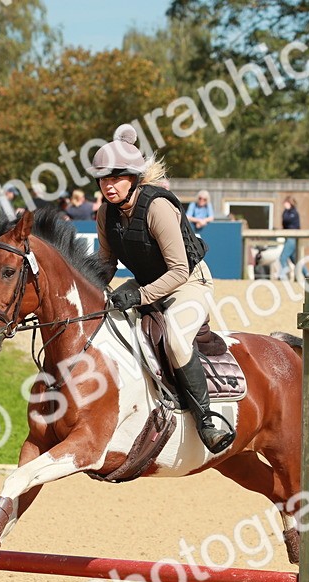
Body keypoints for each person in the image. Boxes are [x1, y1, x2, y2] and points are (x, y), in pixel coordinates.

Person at [90, 123, 234, 454]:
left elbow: (179, 270)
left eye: (116, 178)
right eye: (103, 179)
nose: (108, 186)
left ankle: (206, 422)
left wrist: (138, 296)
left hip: (188, 283)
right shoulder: (105, 214)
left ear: (134, 178)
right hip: (147, 281)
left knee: (177, 341)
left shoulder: (157, 207)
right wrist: (91, 286)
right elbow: (106, 263)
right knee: (104, 317)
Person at [278, 195, 300, 281]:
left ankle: (285, 271)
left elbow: (287, 220)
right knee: (294, 259)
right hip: (288, 237)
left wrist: (287, 210)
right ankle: (307, 274)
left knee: (282, 257)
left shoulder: (293, 213)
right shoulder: (286, 212)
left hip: (292, 237)